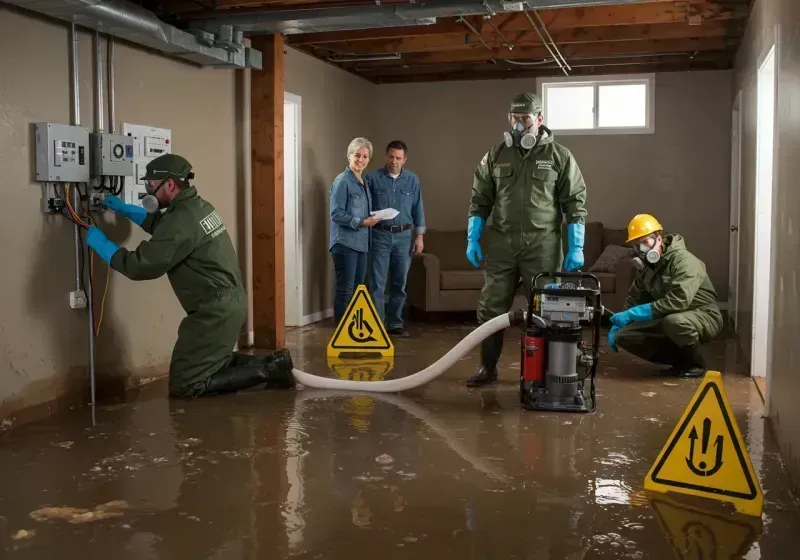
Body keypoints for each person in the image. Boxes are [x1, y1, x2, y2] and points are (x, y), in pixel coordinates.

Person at [84, 153, 294, 398]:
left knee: (187, 383)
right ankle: (274, 363)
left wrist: (102, 245)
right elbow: (166, 228)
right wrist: (124, 209)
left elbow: (140, 266)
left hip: (213, 310)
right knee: (211, 361)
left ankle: (270, 370)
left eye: (151, 185)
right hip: (228, 302)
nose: (147, 191)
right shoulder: (196, 206)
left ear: (170, 184)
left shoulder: (181, 220)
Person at [465, 92, 588, 387]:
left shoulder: (559, 156)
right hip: (502, 246)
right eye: (515, 119)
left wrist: (577, 245)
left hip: (542, 246)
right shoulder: (496, 155)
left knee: (547, 309)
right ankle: (488, 367)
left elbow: (575, 202)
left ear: (540, 119)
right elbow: (480, 199)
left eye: (526, 118)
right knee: (491, 308)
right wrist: (473, 237)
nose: (519, 125)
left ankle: (545, 372)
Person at [608, 214, 723, 378]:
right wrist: (619, 323)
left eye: (646, 242)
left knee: (674, 322)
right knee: (625, 336)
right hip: (668, 316)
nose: (642, 250)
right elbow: (634, 298)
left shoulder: (684, 262)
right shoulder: (647, 269)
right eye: (637, 245)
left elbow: (678, 301)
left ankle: (696, 364)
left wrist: (633, 314)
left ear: (659, 239)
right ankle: (679, 361)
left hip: (703, 315)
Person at [367, 140, 426, 338]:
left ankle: (394, 323)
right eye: (391, 157)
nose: (394, 161)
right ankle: (376, 325)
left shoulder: (412, 180)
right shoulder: (373, 179)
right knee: (377, 282)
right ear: (386, 156)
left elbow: (418, 208)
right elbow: (365, 208)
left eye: (398, 158)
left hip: (404, 237)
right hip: (380, 235)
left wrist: (419, 237)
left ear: (405, 160)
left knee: (400, 283)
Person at [329, 137, 383, 324]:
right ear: (349, 156)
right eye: (357, 155)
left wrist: (373, 218)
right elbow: (336, 214)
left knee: (358, 289)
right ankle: (340, 333)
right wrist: (362, 222)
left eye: (365, 156)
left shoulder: (363, 182)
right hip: (344, 243)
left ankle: (350, 332)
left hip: (361, 245)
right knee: (345, 289)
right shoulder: (342, 181)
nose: (361, 160)